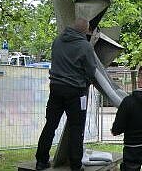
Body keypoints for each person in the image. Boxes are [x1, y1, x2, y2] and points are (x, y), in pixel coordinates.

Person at [35, 17, 97, 171]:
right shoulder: (85, 46)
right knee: (76, 128)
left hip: (55, 89)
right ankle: (76, 165)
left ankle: (41, 161)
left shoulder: (57, 41)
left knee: (50, 125)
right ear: (85, 31)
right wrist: (85, 82)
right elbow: (91, 71)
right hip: (75, 92)